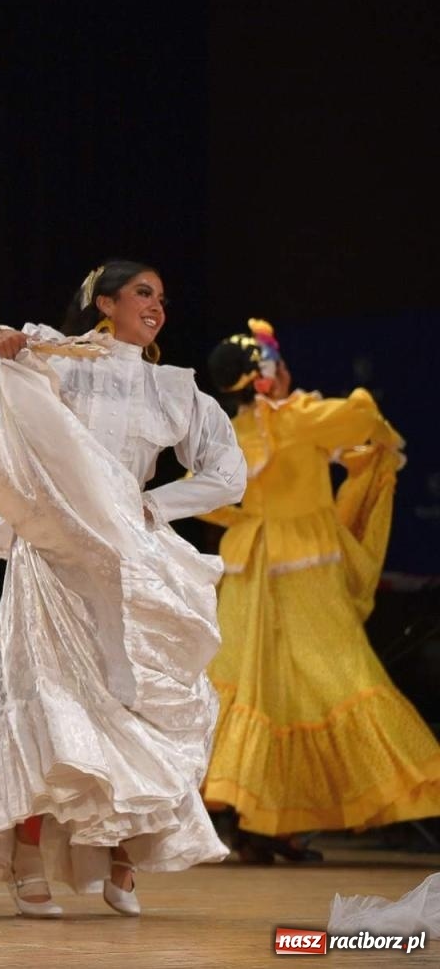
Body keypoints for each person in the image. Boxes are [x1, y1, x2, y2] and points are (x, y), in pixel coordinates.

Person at [0, 261, 247, 918]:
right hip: (52, 555)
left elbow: (228, 474)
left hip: (127, 557)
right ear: (105, 303)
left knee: (137, 700)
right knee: (43, 698)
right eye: (143, 293)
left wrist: (151, 507)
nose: (157, 306)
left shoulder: (171, 388)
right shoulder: (55, 357)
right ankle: (27, 858)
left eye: (162, 298)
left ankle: (122, 854)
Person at [202, 320, 439, 861]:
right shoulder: (301, 418)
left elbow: (210, 498)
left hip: (248, 571)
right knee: (339, 676)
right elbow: (363, 417)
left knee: (258, 688)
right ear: (267, 377)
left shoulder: (231, 435)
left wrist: (250, 515)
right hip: (303, 571)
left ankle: (263, 823)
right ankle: (271, 823)